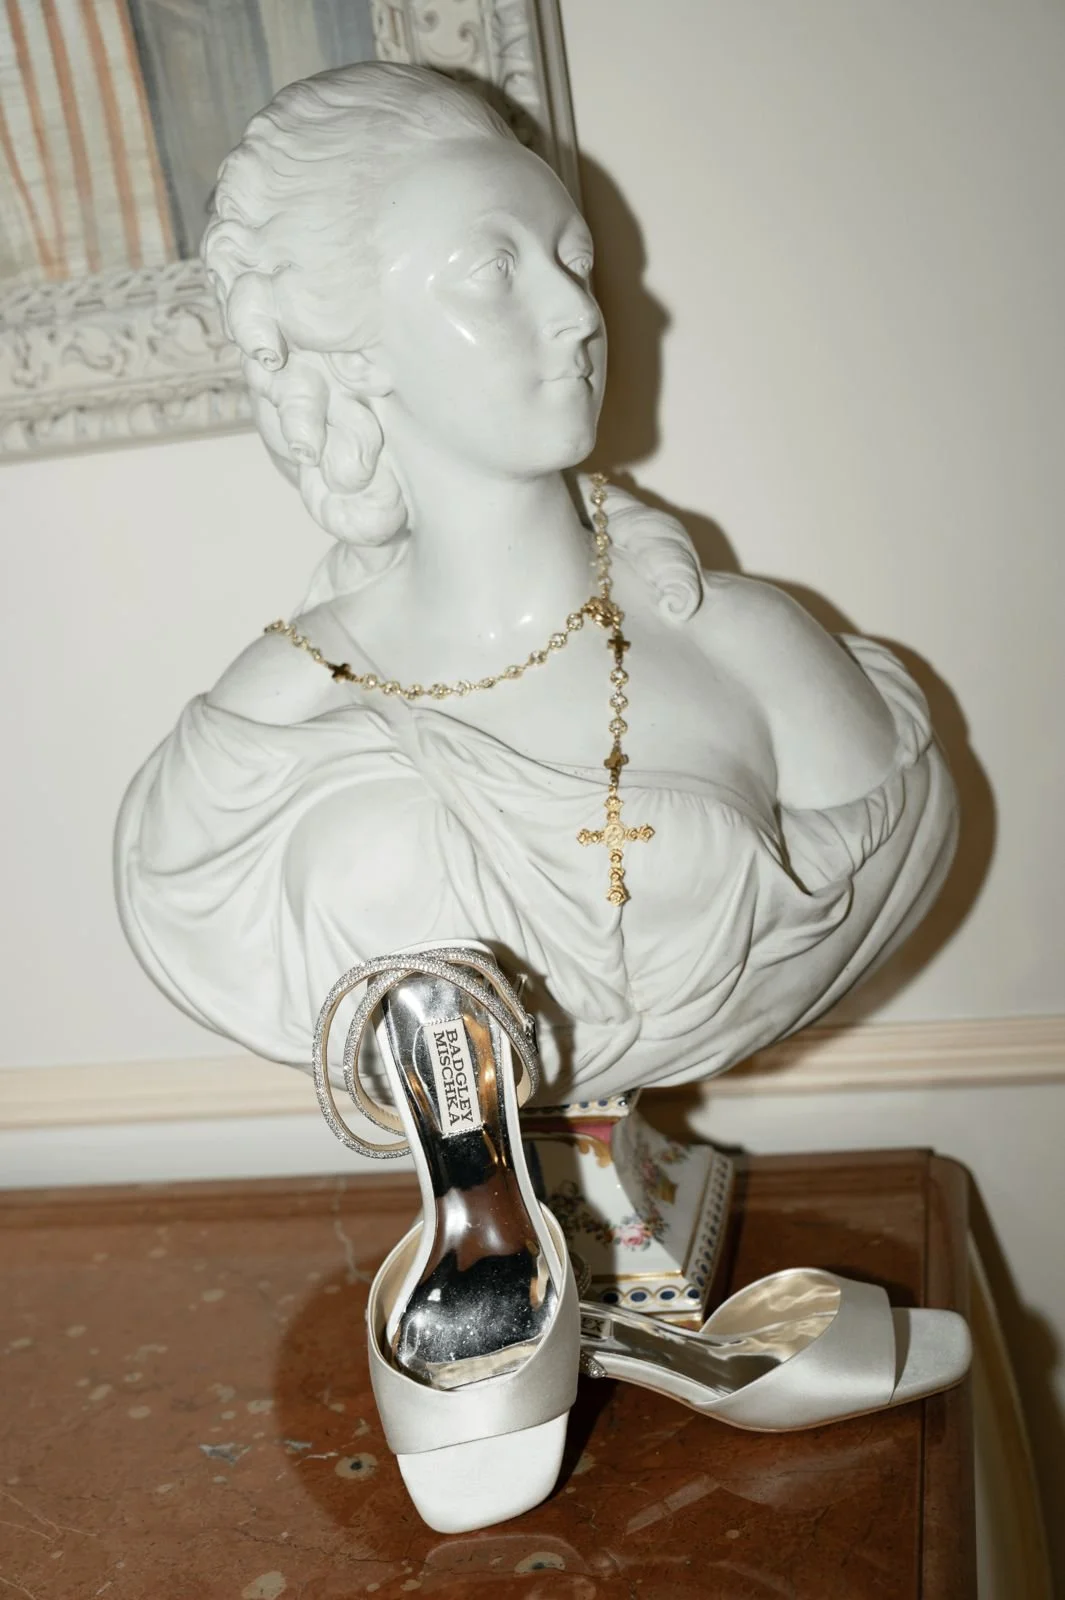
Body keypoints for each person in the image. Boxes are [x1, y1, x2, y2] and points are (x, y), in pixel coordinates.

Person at [115, 63, 957, 1103]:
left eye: (575, 259)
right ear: (356, 345)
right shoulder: (255, 741)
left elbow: (890, 837)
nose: (580, 312)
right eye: (496, 267)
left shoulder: (751, 648)